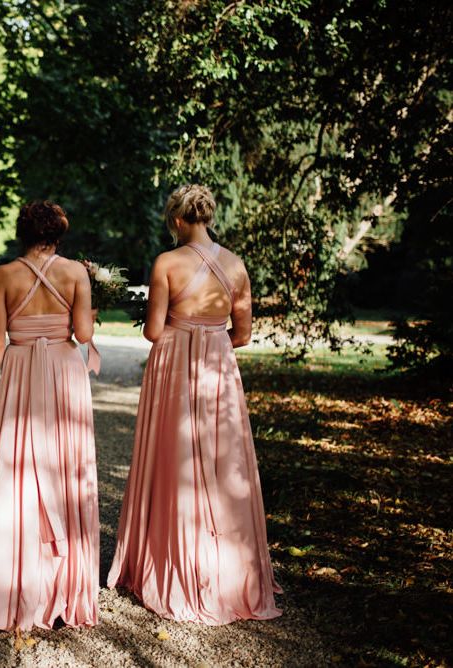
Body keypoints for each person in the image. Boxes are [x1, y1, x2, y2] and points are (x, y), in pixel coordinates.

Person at [107, 184, 282, 624]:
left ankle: (174, 563)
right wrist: (211, 336)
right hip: (218, 367)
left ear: (178, 220)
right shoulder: (236, 265)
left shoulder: (167, 262)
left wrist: (178, 327)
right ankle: (227, 567)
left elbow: (151, 331)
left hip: (175, 365)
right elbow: (242, 334)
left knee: (177, 456)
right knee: (224, 459)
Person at [0, 200, 99, 632]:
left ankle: (17, 581)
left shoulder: (2, 276)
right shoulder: (76, 273)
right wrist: (92, 316)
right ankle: (65, 584)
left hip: (23, 371)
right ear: (59, 233)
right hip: (64, 372)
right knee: (66, 467)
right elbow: (82, 335)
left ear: (21, 232)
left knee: (20, 470)